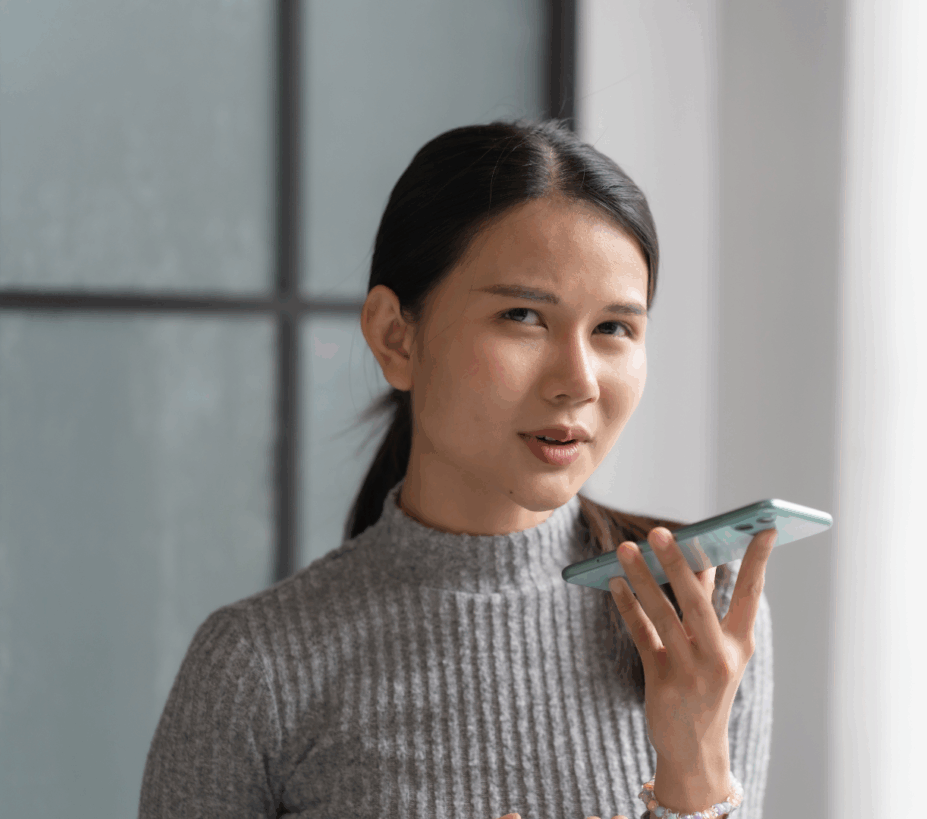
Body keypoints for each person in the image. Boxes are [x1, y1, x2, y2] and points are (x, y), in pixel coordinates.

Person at [138, 118, 774, 819]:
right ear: (394, 336)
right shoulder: (257, 666)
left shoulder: (698, 611)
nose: (579, 380)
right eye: (524, 316)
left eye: (614, 328)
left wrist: (695, 777)